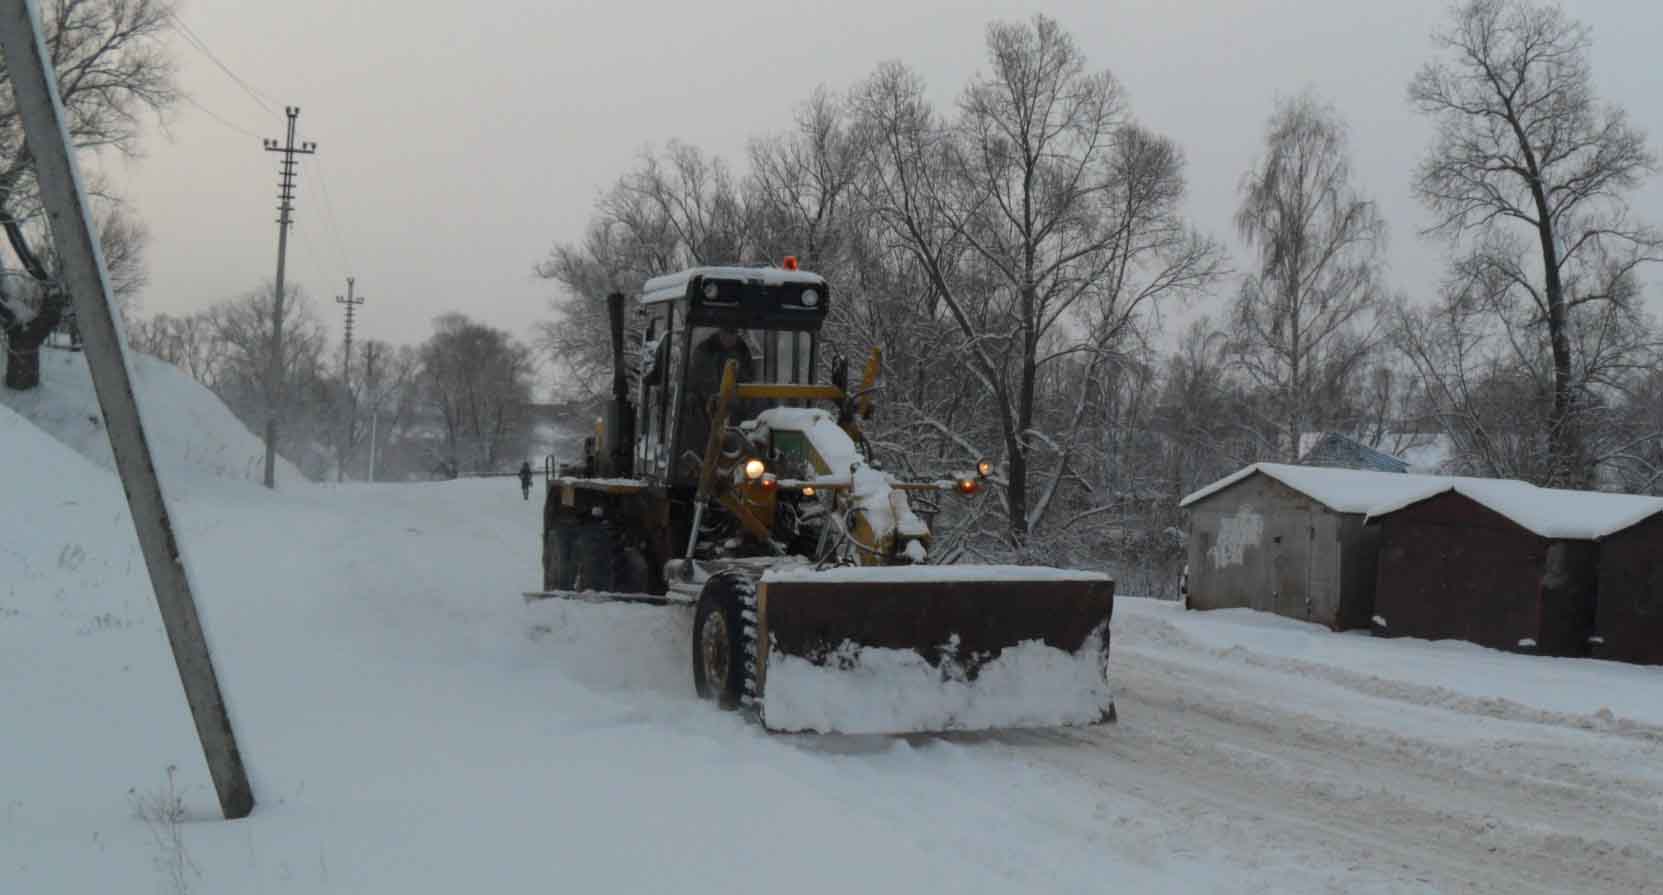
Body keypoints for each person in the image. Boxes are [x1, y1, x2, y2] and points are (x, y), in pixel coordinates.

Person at [681, 327, 755, 476]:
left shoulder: (742, 350)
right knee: (696, 414)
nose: (731, 339)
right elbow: (699, 379)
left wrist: (738, 399)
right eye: (728, 334)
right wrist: (714, 398)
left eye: (734, 334)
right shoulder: (704, 350)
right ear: (721, 333)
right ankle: (700, 461)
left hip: (734, 404)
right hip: (706, 405)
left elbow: (747, 377)